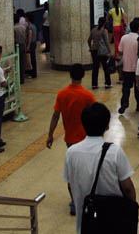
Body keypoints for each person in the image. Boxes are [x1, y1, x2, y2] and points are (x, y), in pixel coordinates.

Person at [64, 103, 136, 233]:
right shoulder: (114, 152)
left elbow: (70, 185)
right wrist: (132, 208)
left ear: (83, 124)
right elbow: (127, 187)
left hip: (87, 222)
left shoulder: (71, 152)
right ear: (107, 125)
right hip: (113, 220)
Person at [47, 64, 97, 216]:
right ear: (83, 76)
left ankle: (75, 202)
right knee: (87, 171)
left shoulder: (62, 94)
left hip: (70, 140)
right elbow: (97, 115)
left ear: (70, 75)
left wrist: (50, 135)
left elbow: (56, 115)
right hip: (87, 139)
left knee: (73, 172)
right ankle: (88, 199)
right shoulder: (88, 96)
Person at [117, 18, 139, 114]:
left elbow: (120, 51)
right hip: (137, 69)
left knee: (126, 88)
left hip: (126, 68)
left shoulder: (124, 38)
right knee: (138, 88)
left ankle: (124, 103)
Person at [88, 17, 112, 89]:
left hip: (94, 50)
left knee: (95, 67)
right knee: (105, 67)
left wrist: (90, 47)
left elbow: (88, 40)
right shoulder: (104, 31)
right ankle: (107, 83)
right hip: (102, 52)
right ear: (104, 23)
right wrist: (109, 51)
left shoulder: (93, 30)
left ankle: (94, 84)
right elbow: (107, 42)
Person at [13, 17, 31, 84]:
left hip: (17, 46)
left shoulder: (14, 28)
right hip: (23, 45)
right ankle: (22, 79)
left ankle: (17, 79)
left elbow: (14, 38)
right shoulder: (24, 27)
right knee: (22, 62)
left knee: (17, 63)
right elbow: (26, 37)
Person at [25, 14, 39, 78]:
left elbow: (30, 36)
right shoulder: (34, 25)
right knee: (33, 58)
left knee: (31, 59)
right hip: (34, 43)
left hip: (31, 44)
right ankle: (33, 73)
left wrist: (28, 45)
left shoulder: (29, 26)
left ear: (28, 18)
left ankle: (33, 74)